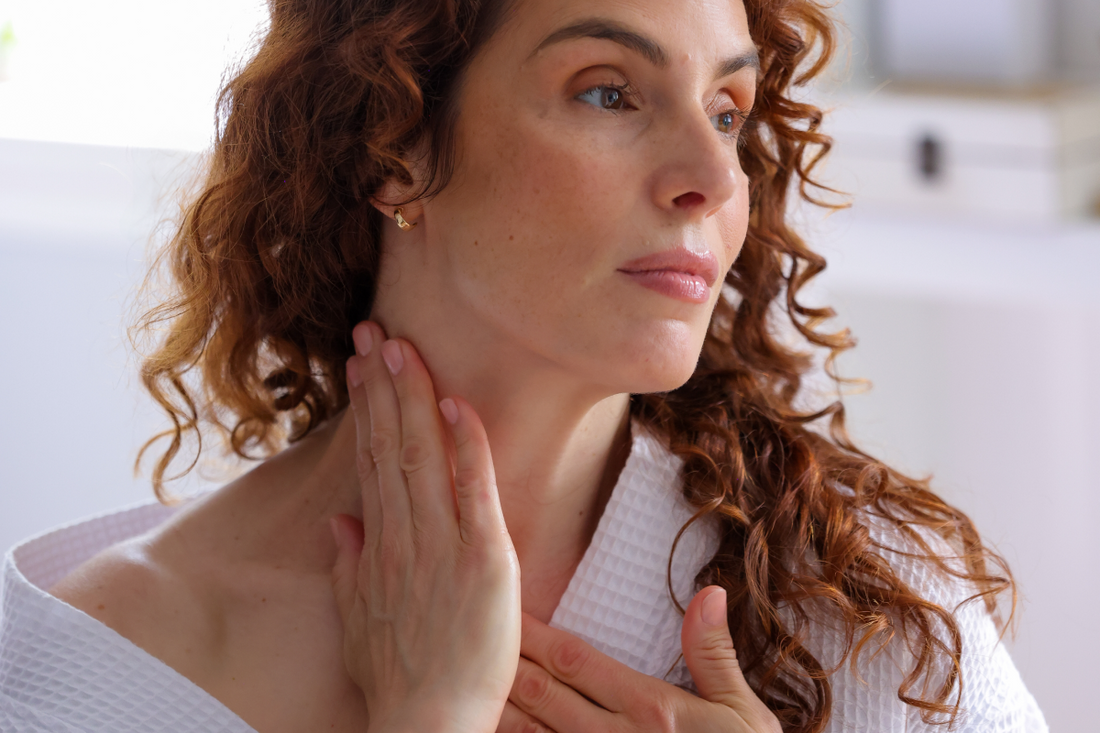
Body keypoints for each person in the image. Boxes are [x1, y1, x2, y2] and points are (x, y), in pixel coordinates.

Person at [0, 0, 1048, 730]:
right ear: (391, 144)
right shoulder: (91, 668)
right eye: (608, 93)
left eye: (726, 112)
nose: (707, 176)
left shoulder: (869, 610)